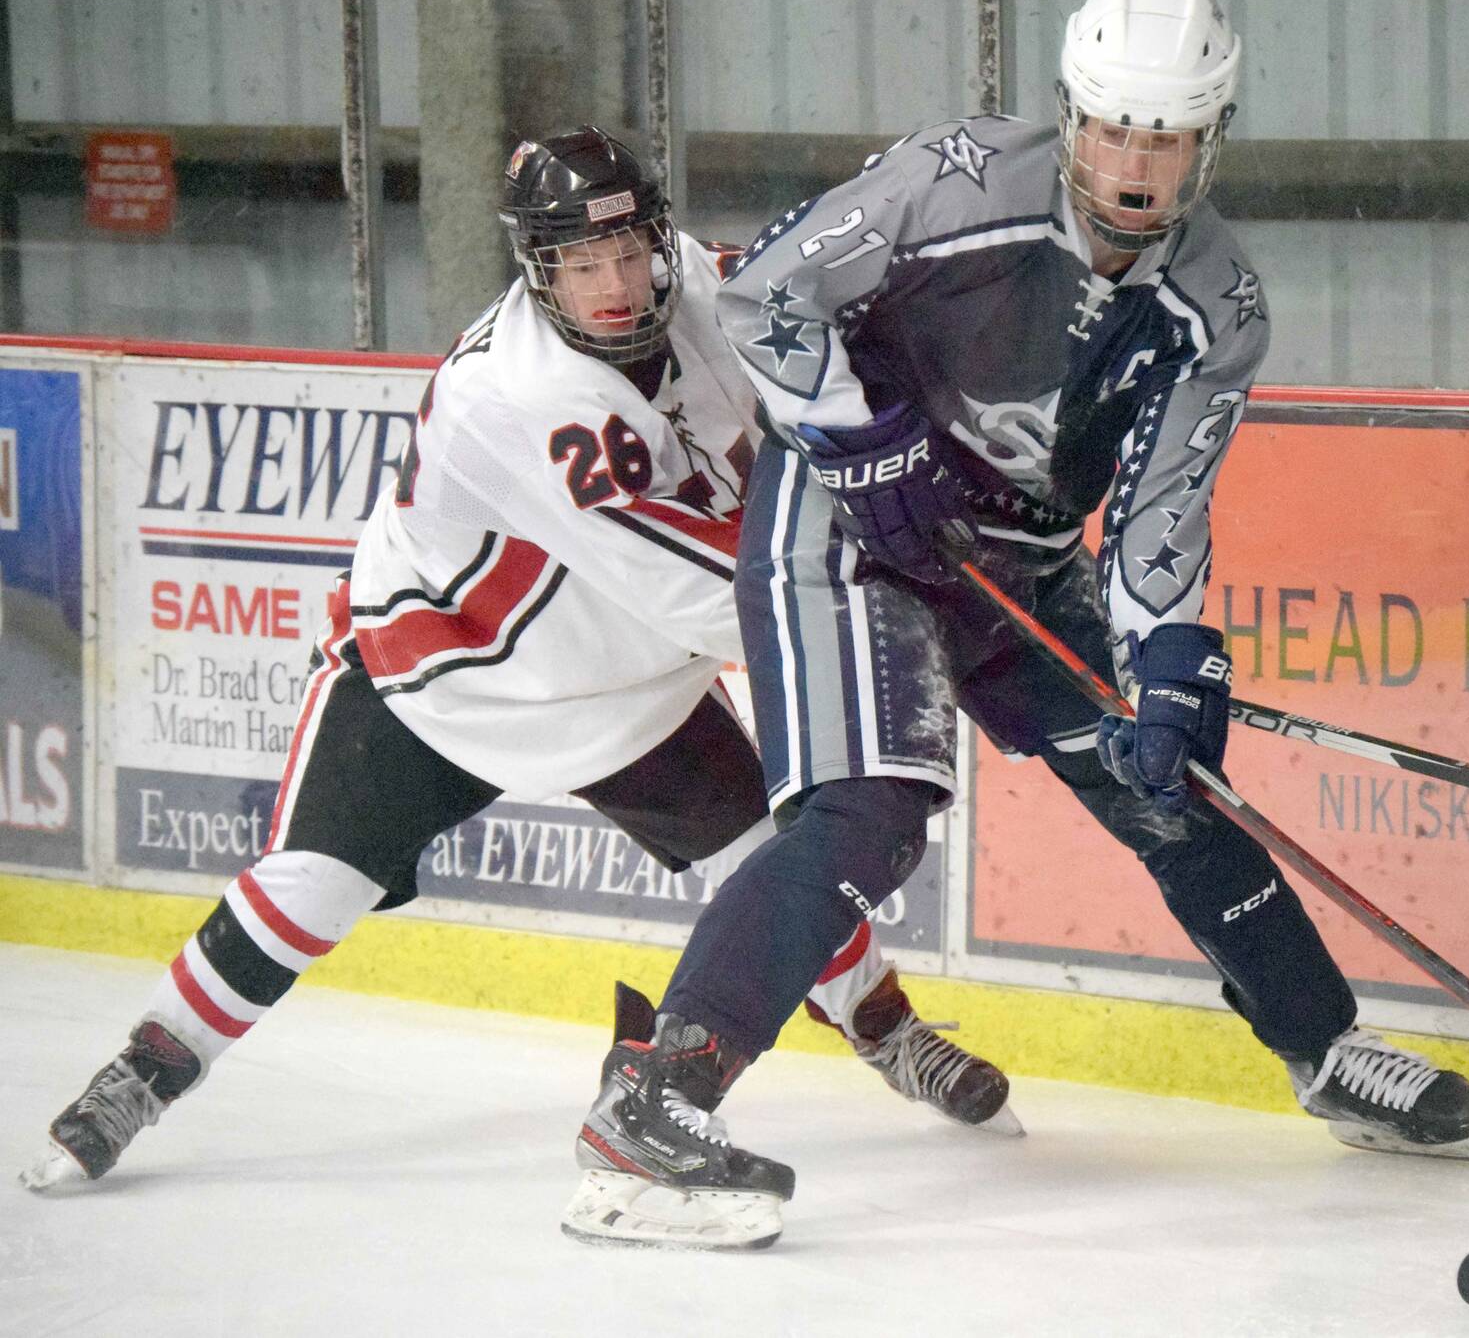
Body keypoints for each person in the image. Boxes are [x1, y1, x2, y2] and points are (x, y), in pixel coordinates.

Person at [603, 0, 1469, 1247]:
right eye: (1115, 128)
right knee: (870, 808)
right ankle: (655, 1102)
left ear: (1210, 138)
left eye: (1169, 136)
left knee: (1175, 787)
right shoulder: (950, 180)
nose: (1135, 164)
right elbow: (766, 292)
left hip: (1016, 560)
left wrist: (1173, 661)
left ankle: (1326, 1052)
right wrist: (861, 442)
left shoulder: (1217, 305)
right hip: (851, 523)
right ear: (1072, 114)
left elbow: (1157, 509)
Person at [20, 127, 1017, 1242]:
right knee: (306, 890)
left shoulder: (700, 280)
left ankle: (889, 1035)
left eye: (631, 252)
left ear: (656, 235)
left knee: (775, 876)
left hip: (627, 687)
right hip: (449, 681)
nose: (614, 283)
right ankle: (143, 1072)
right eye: (579, 266)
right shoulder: (512, 397)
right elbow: (709, 594)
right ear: (534, 268)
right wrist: (912, 614)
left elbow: (822, 340)